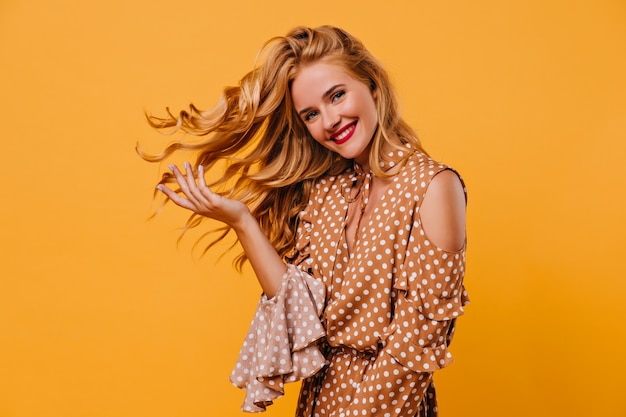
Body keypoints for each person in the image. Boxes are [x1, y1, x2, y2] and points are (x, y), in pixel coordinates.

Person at [140, 25, 469, 417]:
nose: (329, 120)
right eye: (311, 114)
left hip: (388, 405)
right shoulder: (327, 193)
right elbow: (300, 309)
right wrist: (242, 221)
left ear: (373, 86)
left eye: (338, 95)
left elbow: (417, 342)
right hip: (319, 401)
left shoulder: (434, 186)